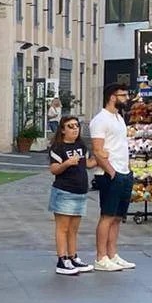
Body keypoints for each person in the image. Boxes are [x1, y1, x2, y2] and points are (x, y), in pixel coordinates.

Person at [90, 83, 136, 272]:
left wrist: (127, 170)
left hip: (124, 171)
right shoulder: (100, 120)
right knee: (107, 216)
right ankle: (101, 257)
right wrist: (111, 171)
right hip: (110, 173)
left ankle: (112, 253)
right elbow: (98, 150)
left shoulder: (118, 117)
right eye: (123, 95)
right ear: (112, 97)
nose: (126, 98)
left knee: (117, 217)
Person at [48, 115, 97, 275]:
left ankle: (73, 256)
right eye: (70, 126)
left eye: (76, 126)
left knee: (74, 229)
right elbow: (54, 169)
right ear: (62, 130)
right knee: (63, 228)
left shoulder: (81, 146)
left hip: (80, 191)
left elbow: (87, 164)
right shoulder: (58, 148)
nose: (75, 129)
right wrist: (67, 163)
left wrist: (99, 158)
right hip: (64, 191)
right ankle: (62, 259)